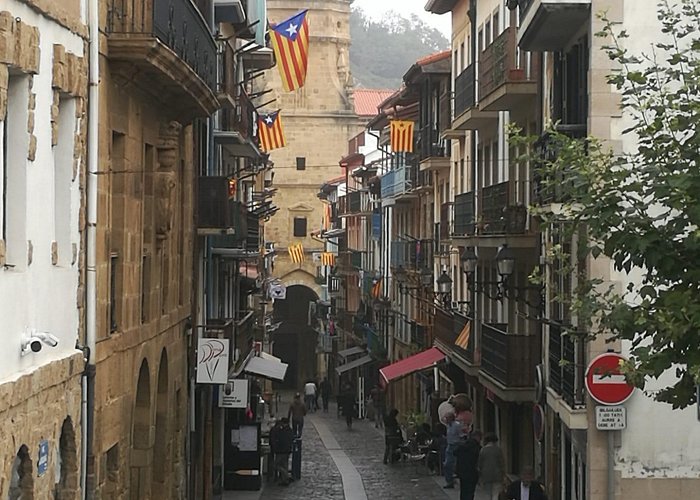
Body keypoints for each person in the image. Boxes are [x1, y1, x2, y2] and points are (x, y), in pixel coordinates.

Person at [454, 430, 482, 500]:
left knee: (463, 491)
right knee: (470, 492)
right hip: (472, 472)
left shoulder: (462, 446)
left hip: (462, 472)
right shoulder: (477, 448)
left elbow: (454, 452)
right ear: (477, 437)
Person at [477, 433, 505, 500]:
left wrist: (480, 475)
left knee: (487, 494)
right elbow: (502, 463)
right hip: (497, 475)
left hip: (486, 475)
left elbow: (480, 464)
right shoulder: (498, 450)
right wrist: (503, 474)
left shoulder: (483, 450)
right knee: (496, 493)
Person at [270, 417, 293, 486]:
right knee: (285, 464)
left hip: (281, 450)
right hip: (287, 450)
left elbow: (280, 440)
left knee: (276, 465)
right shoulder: (289, 430)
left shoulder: (282, 430)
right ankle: (284, 480)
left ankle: (286, 476)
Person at [444, 412, 464, 489]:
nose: (446, 420)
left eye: (447, 418)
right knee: (447, 465)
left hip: (456, 445)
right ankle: (449, 481)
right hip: (449, 445)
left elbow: (461, 436)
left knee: (456, 465)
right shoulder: (448, 426)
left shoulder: (457, 425)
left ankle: (453, 480)